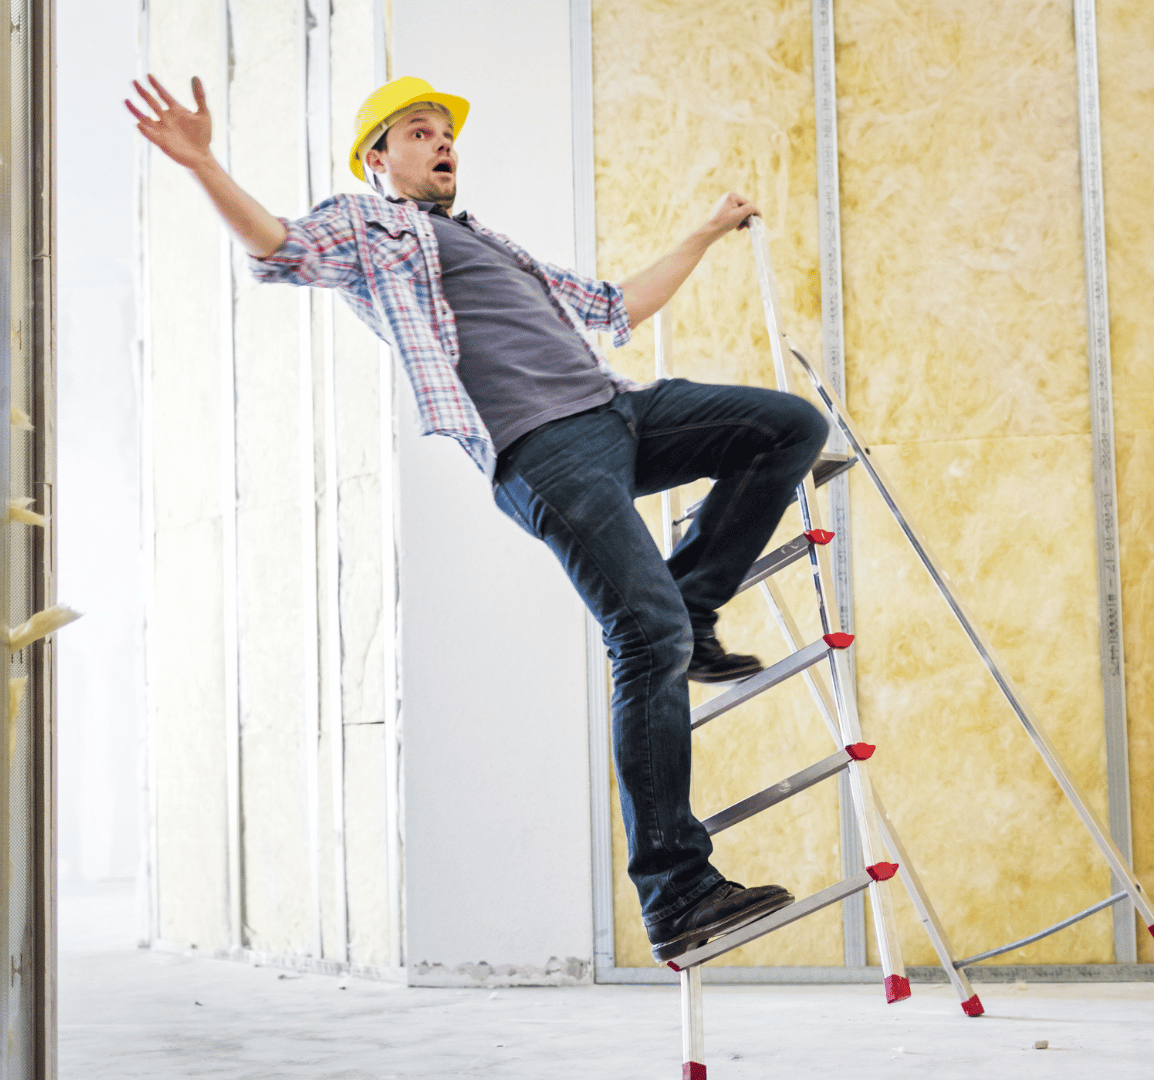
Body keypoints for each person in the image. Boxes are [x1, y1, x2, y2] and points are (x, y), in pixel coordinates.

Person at [127, 73, 826, 962]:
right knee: (645, 637)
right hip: (546, 450)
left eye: (443, 131)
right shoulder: (369, 226)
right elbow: (280, 246)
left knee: (788, 425)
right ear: (380, 158)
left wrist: (703, 231)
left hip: (620, 413)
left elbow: (615, 307)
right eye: (417, 132)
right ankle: (679, 891)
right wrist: (202, 163)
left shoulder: (490, 244)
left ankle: (697, 598)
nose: (439, 141)